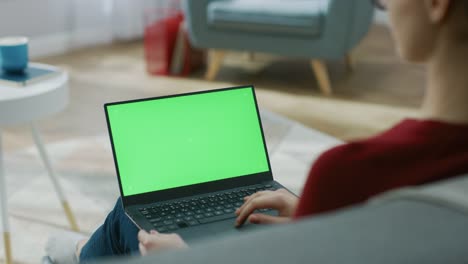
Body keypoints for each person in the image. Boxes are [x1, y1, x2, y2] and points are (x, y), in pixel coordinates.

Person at [46, 0, 468, 262]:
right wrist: (311, 216)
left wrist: (188, 257)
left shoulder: (351, 175)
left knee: (129, 215)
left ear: (436, 4)